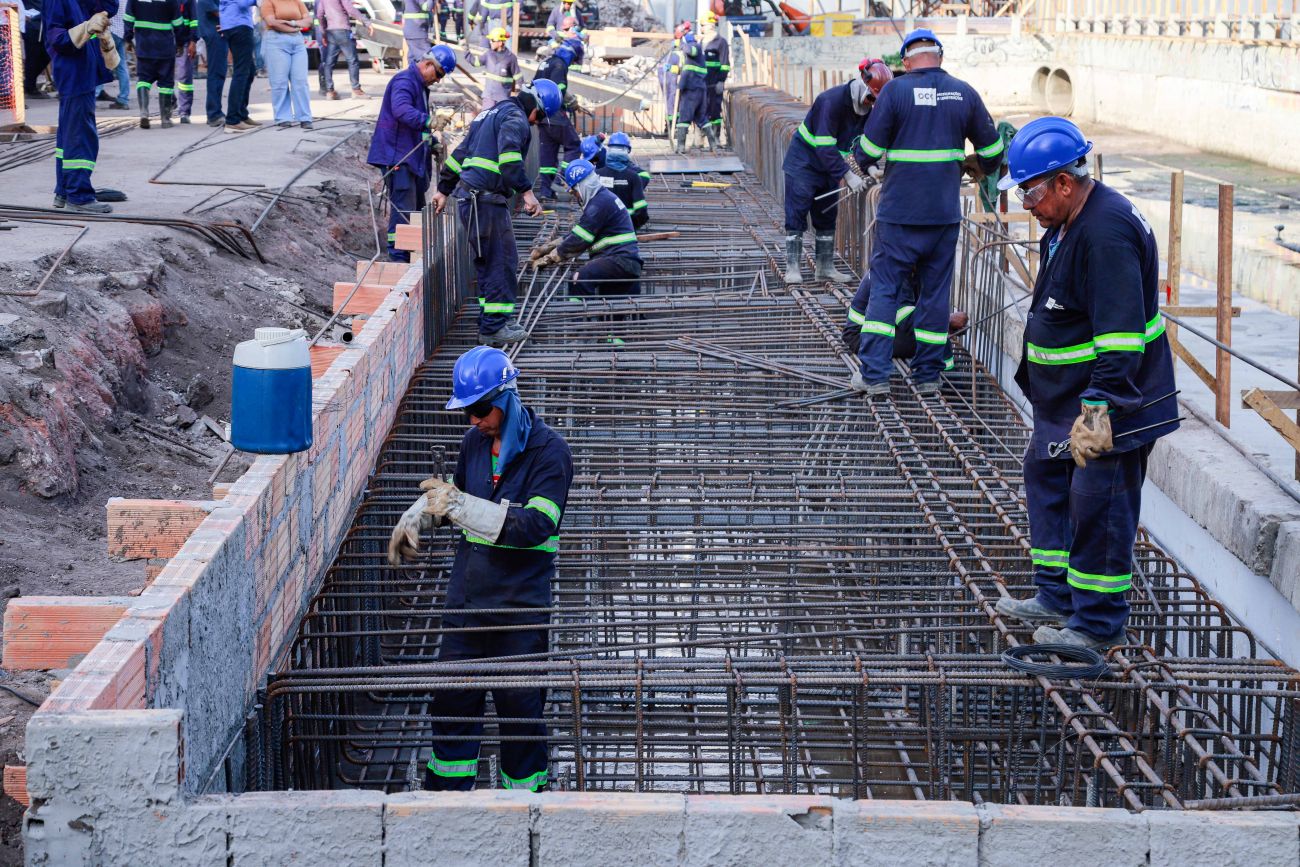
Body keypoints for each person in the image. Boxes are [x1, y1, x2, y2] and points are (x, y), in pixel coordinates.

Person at [990, 117, 1178, 651]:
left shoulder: (1105, 233)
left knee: (1099, 504)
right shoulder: (1070, 221)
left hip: (1108, 402)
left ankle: (1097, 624)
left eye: (1030, 192)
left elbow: (1121, 340)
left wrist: (1097, 413)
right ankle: (1057, 596)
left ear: (1064, 182)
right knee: (1046, 479)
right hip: (1065, 401)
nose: (1026, 204)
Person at [388, 346, 574, 795]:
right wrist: (419, 517)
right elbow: (455, 497)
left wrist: (460, 506)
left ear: (507, 399)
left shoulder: (549, 453)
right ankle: (448, 802)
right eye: (466, 411)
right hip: (467, 603)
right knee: (452, 703)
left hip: (519, 609)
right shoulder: (473, 443)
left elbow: (537, 524)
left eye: (481, 409)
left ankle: (524, 808)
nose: (474, 420)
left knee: (520, 712)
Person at [850, 28, 1004, 394]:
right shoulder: (963, 93)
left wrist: (864, 158)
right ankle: (927, 376)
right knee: (935, 295)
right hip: (942, 216)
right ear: (940, 57)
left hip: (899, 216)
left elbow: (867, 151)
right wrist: (977, 165)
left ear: (905, 62)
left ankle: (874, 375)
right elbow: (994, 152)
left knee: (885, 290)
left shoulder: (894, 92)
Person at [433, 78, 562, 344]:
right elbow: (509, 157)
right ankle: (493, 327)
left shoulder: (489, 114)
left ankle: (493, 320)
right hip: (486, 201)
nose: (535, 123)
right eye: (539, 118)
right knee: (502, 262)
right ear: (536, 106)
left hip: (471, 200)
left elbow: (460, 154)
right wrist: (527, 193)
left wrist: (443, 189)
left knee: (488, 264)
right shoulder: (515, 117)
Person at [780, 76, 877, 285]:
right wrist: (848, 175)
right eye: (871, 98)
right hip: (804, 163)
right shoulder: (830, 101)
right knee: (797, 213)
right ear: (862, 89)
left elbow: (860, 144)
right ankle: (792, 268)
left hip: (829, 168)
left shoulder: (868, 109)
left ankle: (824, 268)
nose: (871, 104)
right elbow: (824, 145)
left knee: (826, 216)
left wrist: (870, 167)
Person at [368, 45, 455, 262]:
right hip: (398, 156)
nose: (438, 80)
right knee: (404, 211)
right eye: (438, 74)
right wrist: (429, 121)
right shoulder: (405, 81)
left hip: (410, 157)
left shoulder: (420, 86)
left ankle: (410, 254)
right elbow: (401, 110)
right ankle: (398, 258)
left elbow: (416, 127)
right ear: (428, 64)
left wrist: (432, 142)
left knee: (416, 211)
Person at [43, 0, 129, 213]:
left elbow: (109, 8)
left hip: (84, 72)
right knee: (80, 137)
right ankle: (79, 196)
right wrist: (87, 27)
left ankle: (65, 190)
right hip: (74, 74)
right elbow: (57, 40)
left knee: (70, 136)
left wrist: (94, 26)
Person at [532, 158, 643, 298]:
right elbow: (576, 233)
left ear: (583, 186)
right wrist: (547, 247)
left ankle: (578, 312)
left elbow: (580, 239)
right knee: (609, 304)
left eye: (574, 191)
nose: (575, 196)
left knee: (579, 279)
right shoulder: (602, 199)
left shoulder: (598, 204)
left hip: (619, 260)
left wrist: (550, 258)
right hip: (621, 261)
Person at [843, 269, 965, 381]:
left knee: (936, 334)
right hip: (861, 336)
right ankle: (947, 379)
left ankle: (946, 377)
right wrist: (947, 321)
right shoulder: (897, 272)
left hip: (880, 328)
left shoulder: (906, 268)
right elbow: (906, 320)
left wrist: (944, 323)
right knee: (933, 338)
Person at [530, 41, 579, 200]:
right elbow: (558, 89)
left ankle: (546, 191)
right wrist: (571, 101)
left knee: (548, 153)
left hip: (541, 116)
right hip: (555, 115)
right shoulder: (560, 65)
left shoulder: (545, 63)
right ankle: (561, 178)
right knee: (574, 145)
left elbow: (534, 86)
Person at [124, 0, 181, 128]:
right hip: (165, 47)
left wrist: (128, 38)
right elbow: (178, 23)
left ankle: (144, 113)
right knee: (165, 83)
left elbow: (128, 18)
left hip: (144, 46)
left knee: (143, 80)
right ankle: (165, 119)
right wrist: (180, 43)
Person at [260, 0, 311, 127]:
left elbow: (308, 21)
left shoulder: (297, 1)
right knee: (279, 82)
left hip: (298, 42)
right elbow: (271, 22)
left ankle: (305, 117)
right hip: (276, 41)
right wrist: (294, 28)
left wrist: (291, 23)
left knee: (300, 81)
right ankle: (282, 118)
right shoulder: (268, 2)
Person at [315, 0, 371, 100]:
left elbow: (319, 15)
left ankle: (330, 91)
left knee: (329, 63)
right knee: (352, 60)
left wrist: (323, 32)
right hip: (343, 29)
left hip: (331, 31)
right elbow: (350, 9)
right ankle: (356, 90)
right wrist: (367, 22)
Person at [595, 131, 648, 230]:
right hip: (627, 227)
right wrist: (634, 227)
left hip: (600, 228)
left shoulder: (596, 175)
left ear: (609, 150)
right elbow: (641, 211)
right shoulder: (633, 176)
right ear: (627, 151)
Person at [219, 0, 259, 131]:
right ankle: (233, 120)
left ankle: (241, 114)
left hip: (231, 24)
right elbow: (242, 3)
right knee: (241, 72)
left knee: (249, 70)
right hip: (239, 25)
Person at [672, 26, 712, 153]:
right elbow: (684, 69)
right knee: (701, 118)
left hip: (691, 89)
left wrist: (681, 44)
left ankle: (680, 147)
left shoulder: (695, 47)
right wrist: (670, 68)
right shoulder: (695, 58)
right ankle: (714, 144)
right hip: (699, 89)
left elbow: (691, 51)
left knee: (684, 118)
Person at [464, 25, 517, 111]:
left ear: (500, 42)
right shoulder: (488, 55)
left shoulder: (511, 58)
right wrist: (466, 50)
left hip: (503, 99)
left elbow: (518, 77)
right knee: (486, 117)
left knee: (500, 118)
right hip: (489, 97)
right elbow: (475, 62)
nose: (490, 42)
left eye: (492, 40)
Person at [94, 0, 130, 108]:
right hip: (122, 31)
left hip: (110, 31)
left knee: (100, 62)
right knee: (121, 65)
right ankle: (123, 98)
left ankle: (95, 94)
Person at [196, 0, 226, 125]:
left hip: (218, 33)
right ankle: (214, 114)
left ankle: (216, 111)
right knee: (216, 74)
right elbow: (215, 10)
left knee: (219, 74)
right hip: (214, 34)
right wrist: (231, 21)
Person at [699, 10, 727, 140]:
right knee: (702, 109)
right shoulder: (701, 42)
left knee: (715, 110)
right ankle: (702, 138)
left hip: (714, 83)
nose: (701, 28)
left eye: (703, 25)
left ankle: (715, 137)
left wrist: (721, 81)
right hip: (702, 83)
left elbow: (725, 64)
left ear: (711, 25)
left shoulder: (720, 42)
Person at [171, 0, 197, 122]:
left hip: (185, 41)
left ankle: (184, 112)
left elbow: (194, 20)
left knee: (185, 77)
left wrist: (193, 41)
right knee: (164, 75)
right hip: (166, 40)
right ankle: (169, 103)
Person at [658, 22, 687, 137]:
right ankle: (670, 126)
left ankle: (674, 126)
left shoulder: (684, 47)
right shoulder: (671, 48)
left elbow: (683, 66)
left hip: (675, 79)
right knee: (671, 103)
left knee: (674, 103)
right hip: (669, 80)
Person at [400, 0, 431, 65]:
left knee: (413, 59)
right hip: (417, 32)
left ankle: (412, 70)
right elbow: (426, 7)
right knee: (426, 60)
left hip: (412, 31)